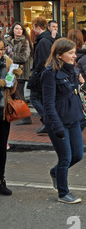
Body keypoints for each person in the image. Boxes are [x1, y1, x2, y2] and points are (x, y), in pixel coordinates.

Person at [41, 38, 85, 204]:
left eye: (75, 52)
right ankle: (63, 193)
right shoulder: (49, 74)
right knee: (65, 158)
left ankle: (55, 172)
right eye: (71, 53)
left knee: (78, 155)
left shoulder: (72, 70)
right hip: (58, 123)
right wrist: (56, 125)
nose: (75, 56)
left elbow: (71, 94)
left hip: (73, 119)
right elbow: (48, 104)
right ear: (60, 55)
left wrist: (80, 82)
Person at [0, 37, 23, 195]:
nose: (0, 52)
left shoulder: (7, 62)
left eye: (2, 49)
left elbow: (11, 88)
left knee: (1, 148)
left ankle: (1, 180)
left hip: (2, 111)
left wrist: (13, 77)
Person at [27, 17, 57, 134]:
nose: (33, 30)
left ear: (38, 27)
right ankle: (47, 121)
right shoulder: (47, 39)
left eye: (34, 27)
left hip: (40, 75)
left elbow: (43, 62)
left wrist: (37, 74)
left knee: (34, 98)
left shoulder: (43, 41)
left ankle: (47, 120)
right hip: (43, 75)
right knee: (43, 100)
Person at [5, 22, 33, 125]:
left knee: (19, 94)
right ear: (13, 30)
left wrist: (10, 54)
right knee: (12, 94)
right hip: (9, 72)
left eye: (20, 29)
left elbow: (23, 57)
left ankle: (26, 117)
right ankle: (17, 114)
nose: (18, 31)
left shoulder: (24, 41)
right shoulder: (8, 41)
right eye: (16, 28)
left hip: (20, 72)